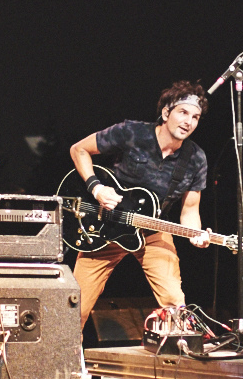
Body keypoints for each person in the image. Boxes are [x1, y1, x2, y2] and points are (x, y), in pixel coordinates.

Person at [68, 81, 212, 324]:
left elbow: (189, 211)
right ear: (166, 113)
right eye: (183, 112)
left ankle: (176, 354)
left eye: (195, 117)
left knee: (174, 302)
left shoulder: (196, 158)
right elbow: (78, 150)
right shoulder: (132, 132)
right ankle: (67, 360)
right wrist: (96, 187)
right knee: (74, 309)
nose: (189, 122)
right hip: (106, 225)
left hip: (153, 230)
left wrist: (196, 235)